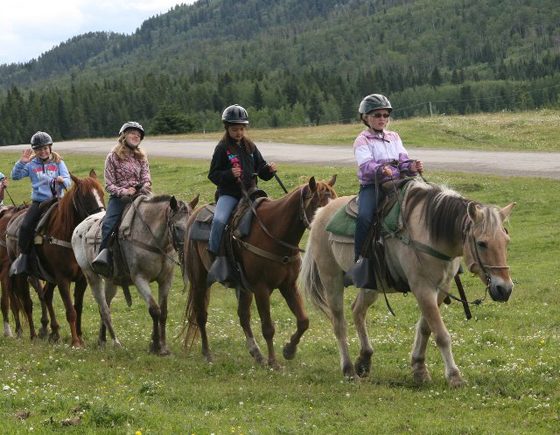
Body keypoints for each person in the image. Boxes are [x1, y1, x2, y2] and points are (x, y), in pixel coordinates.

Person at [353, 93, 423, 262]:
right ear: (366, 117)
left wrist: (412, 166)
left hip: (398, 183)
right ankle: (360, 259)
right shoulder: (361, 140)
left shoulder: (394, 137)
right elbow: (366, 166)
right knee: (364, 217)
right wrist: (382, 170)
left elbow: (403, 161)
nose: (382, 118)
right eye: (377, 115)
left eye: (385, 115)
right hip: (373, 187)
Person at [207, 104, 277, 262]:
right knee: (219, 220)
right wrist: (229, 174)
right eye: (234, 129)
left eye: (241, 129)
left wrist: (269, 170)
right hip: (229, 195)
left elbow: (261, 170)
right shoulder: (222, 148)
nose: (238, 133)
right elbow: (213, 175)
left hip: (252, 193)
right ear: (227, 128)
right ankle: (215, 255)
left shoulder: (251, 147)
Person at [91, 121, 152, 277]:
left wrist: (143, 187)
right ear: (124, 135)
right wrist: (124, 191)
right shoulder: (113, 157)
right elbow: (109, 184)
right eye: (132, 133)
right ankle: (103, 257)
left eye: (138, 135)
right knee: (108, 225)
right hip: (120, 199)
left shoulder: (142, 157)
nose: (136, 136)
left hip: (141, 195)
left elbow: (146, 178)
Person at [9, 131, 72, 275]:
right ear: (34, 151)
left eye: (45, 148)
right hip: (39, 202)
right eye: (38, 149)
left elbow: (68, 180)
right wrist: (21, 162)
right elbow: (15, 176)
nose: (42, 151)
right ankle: (23, 258)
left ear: (50, 148)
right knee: (25, 227)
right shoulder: (31, 164)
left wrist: (63, 181)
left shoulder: (58, 162)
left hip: (58, 201)